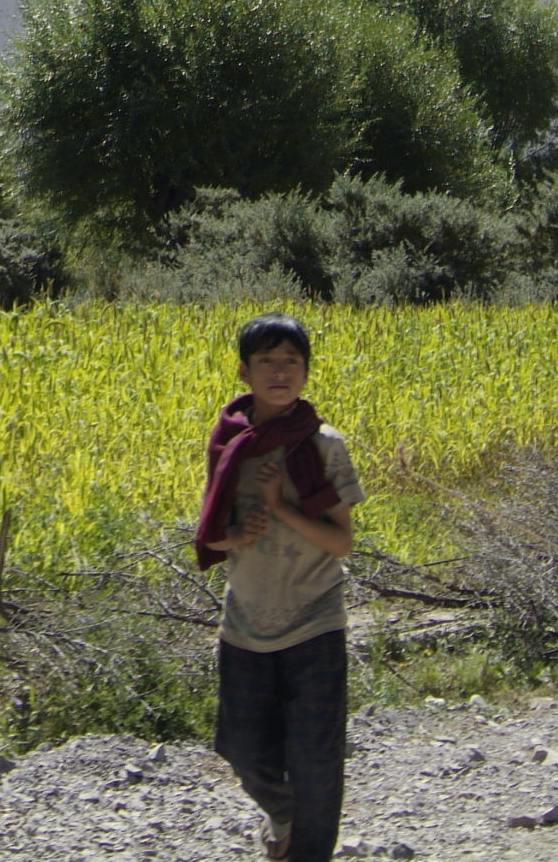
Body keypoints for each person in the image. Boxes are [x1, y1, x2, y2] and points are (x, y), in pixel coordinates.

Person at [193, 311, 366, 862]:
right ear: (245, 371)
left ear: (307, 372)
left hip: (315, 618)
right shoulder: (229, 443)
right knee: (241, 749)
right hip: (245, 621)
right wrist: (237, 532)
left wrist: (281, 509)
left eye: (292, 360)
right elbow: (212, 538)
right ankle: (283, 814)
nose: (280, 372)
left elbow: (341, 542)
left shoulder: (323, 445)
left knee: (317, 760)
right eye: (267, 360)